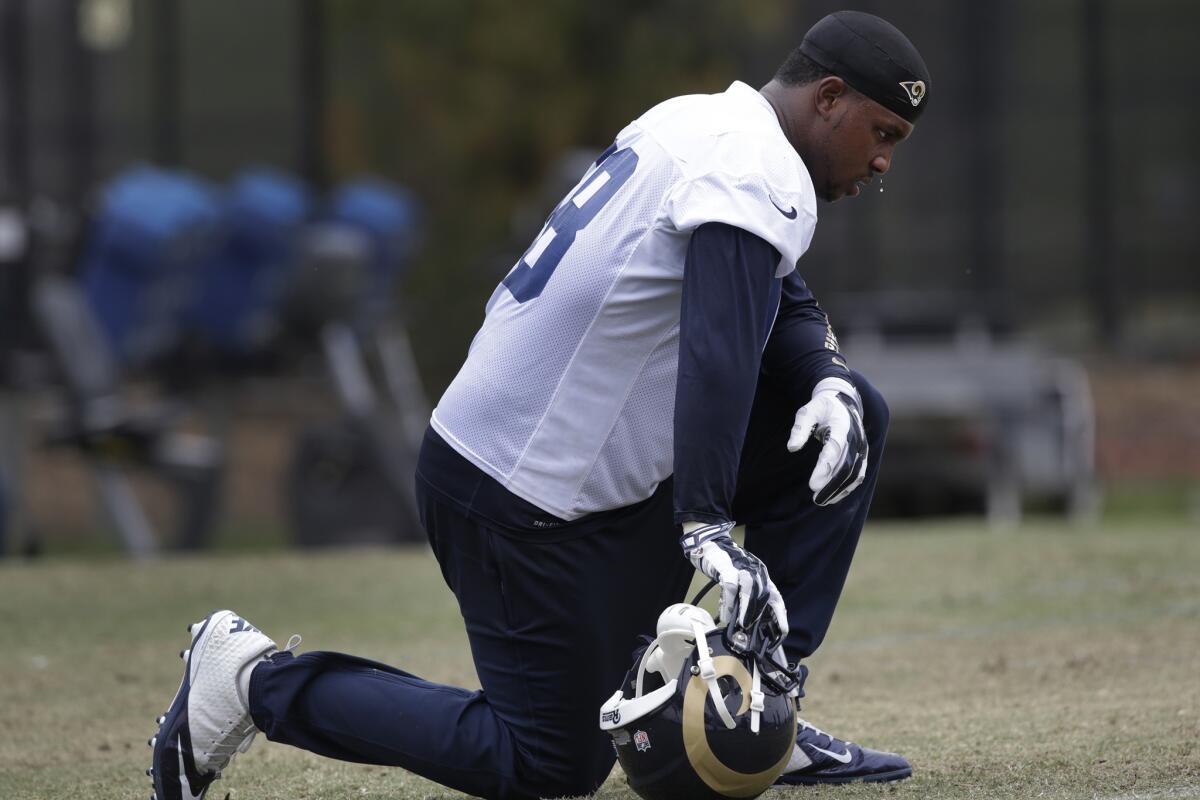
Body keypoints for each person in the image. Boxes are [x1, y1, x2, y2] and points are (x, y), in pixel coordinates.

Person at [147, 10, 931, 800]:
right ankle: (251, 682)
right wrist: (705, 523)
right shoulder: (755, 165)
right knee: (551, 766)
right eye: (883, 131)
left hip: (573, 470)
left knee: (850, 414)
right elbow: (719, 352)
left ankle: (764, 703)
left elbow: (771, 287)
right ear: (829, 97)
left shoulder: (704, 122)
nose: (882, 160)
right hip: (515, 496)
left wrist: (825, 374)